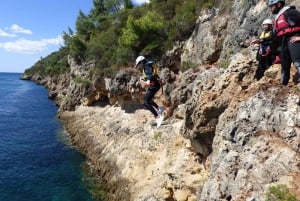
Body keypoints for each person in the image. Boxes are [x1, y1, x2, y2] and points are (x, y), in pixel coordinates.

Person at [267, 0, 300, 85]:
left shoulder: (291, 12)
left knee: (298, 63)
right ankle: (282, 87)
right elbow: (274, 36)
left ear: (279, 4)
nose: (270, 9)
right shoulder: (277, 18)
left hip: (294, 39)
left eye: (272, 6)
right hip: (284, 43)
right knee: (284, 67)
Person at [135, 56, 164, 127]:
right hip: (154, 84)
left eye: (139, 64)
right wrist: (145, 80)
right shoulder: (147, 65)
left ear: (142, 62)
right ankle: (159, 109)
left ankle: (158, 117)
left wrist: (148, 81)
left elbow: (152, 75)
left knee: (145, 102)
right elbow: (150, 76)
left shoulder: (147, 65)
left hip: (155, 84)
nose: (139, 66)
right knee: (147, 99)